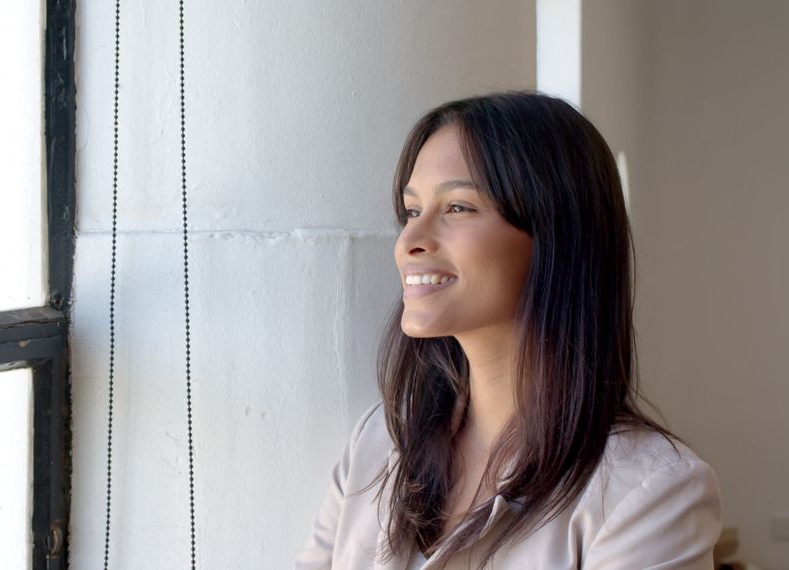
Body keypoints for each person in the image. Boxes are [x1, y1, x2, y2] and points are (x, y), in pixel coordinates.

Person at [294, 92, 721, 569]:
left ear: (555, 236)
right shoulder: (378, 441)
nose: (410, 241)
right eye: (412, 212)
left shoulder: (648, 492)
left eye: (458, 207)